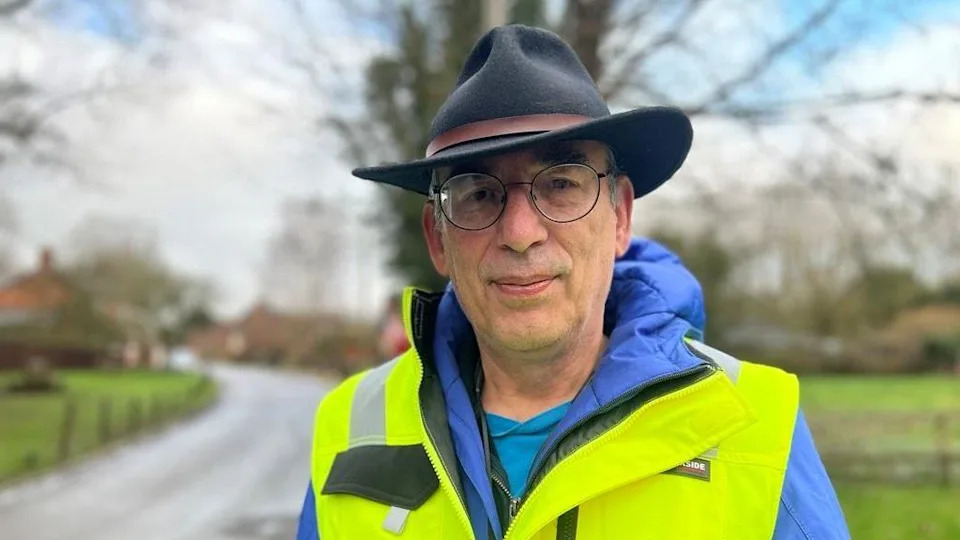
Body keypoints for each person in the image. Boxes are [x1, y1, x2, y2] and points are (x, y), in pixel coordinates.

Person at [297, 25, 848, 540]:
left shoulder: (753, 423)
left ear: (621, 217)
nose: (518, 233)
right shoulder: (349, 429)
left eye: (560, 183)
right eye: (478, 192)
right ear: (438, 239)